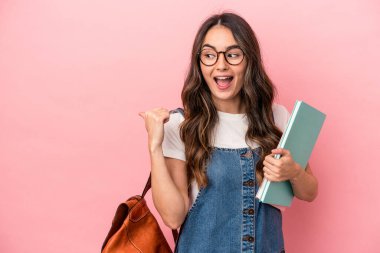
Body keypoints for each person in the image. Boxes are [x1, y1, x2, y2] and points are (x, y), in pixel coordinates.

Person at [139, 12, 318, 253]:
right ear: (199, 63)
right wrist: (154, 147)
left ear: (249, 60)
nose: (221, 65)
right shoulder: (181, 125)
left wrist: (293, 171)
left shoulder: (276, 117)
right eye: (209, 55)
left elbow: (310, 192)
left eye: (232, 55)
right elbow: (173, 217)